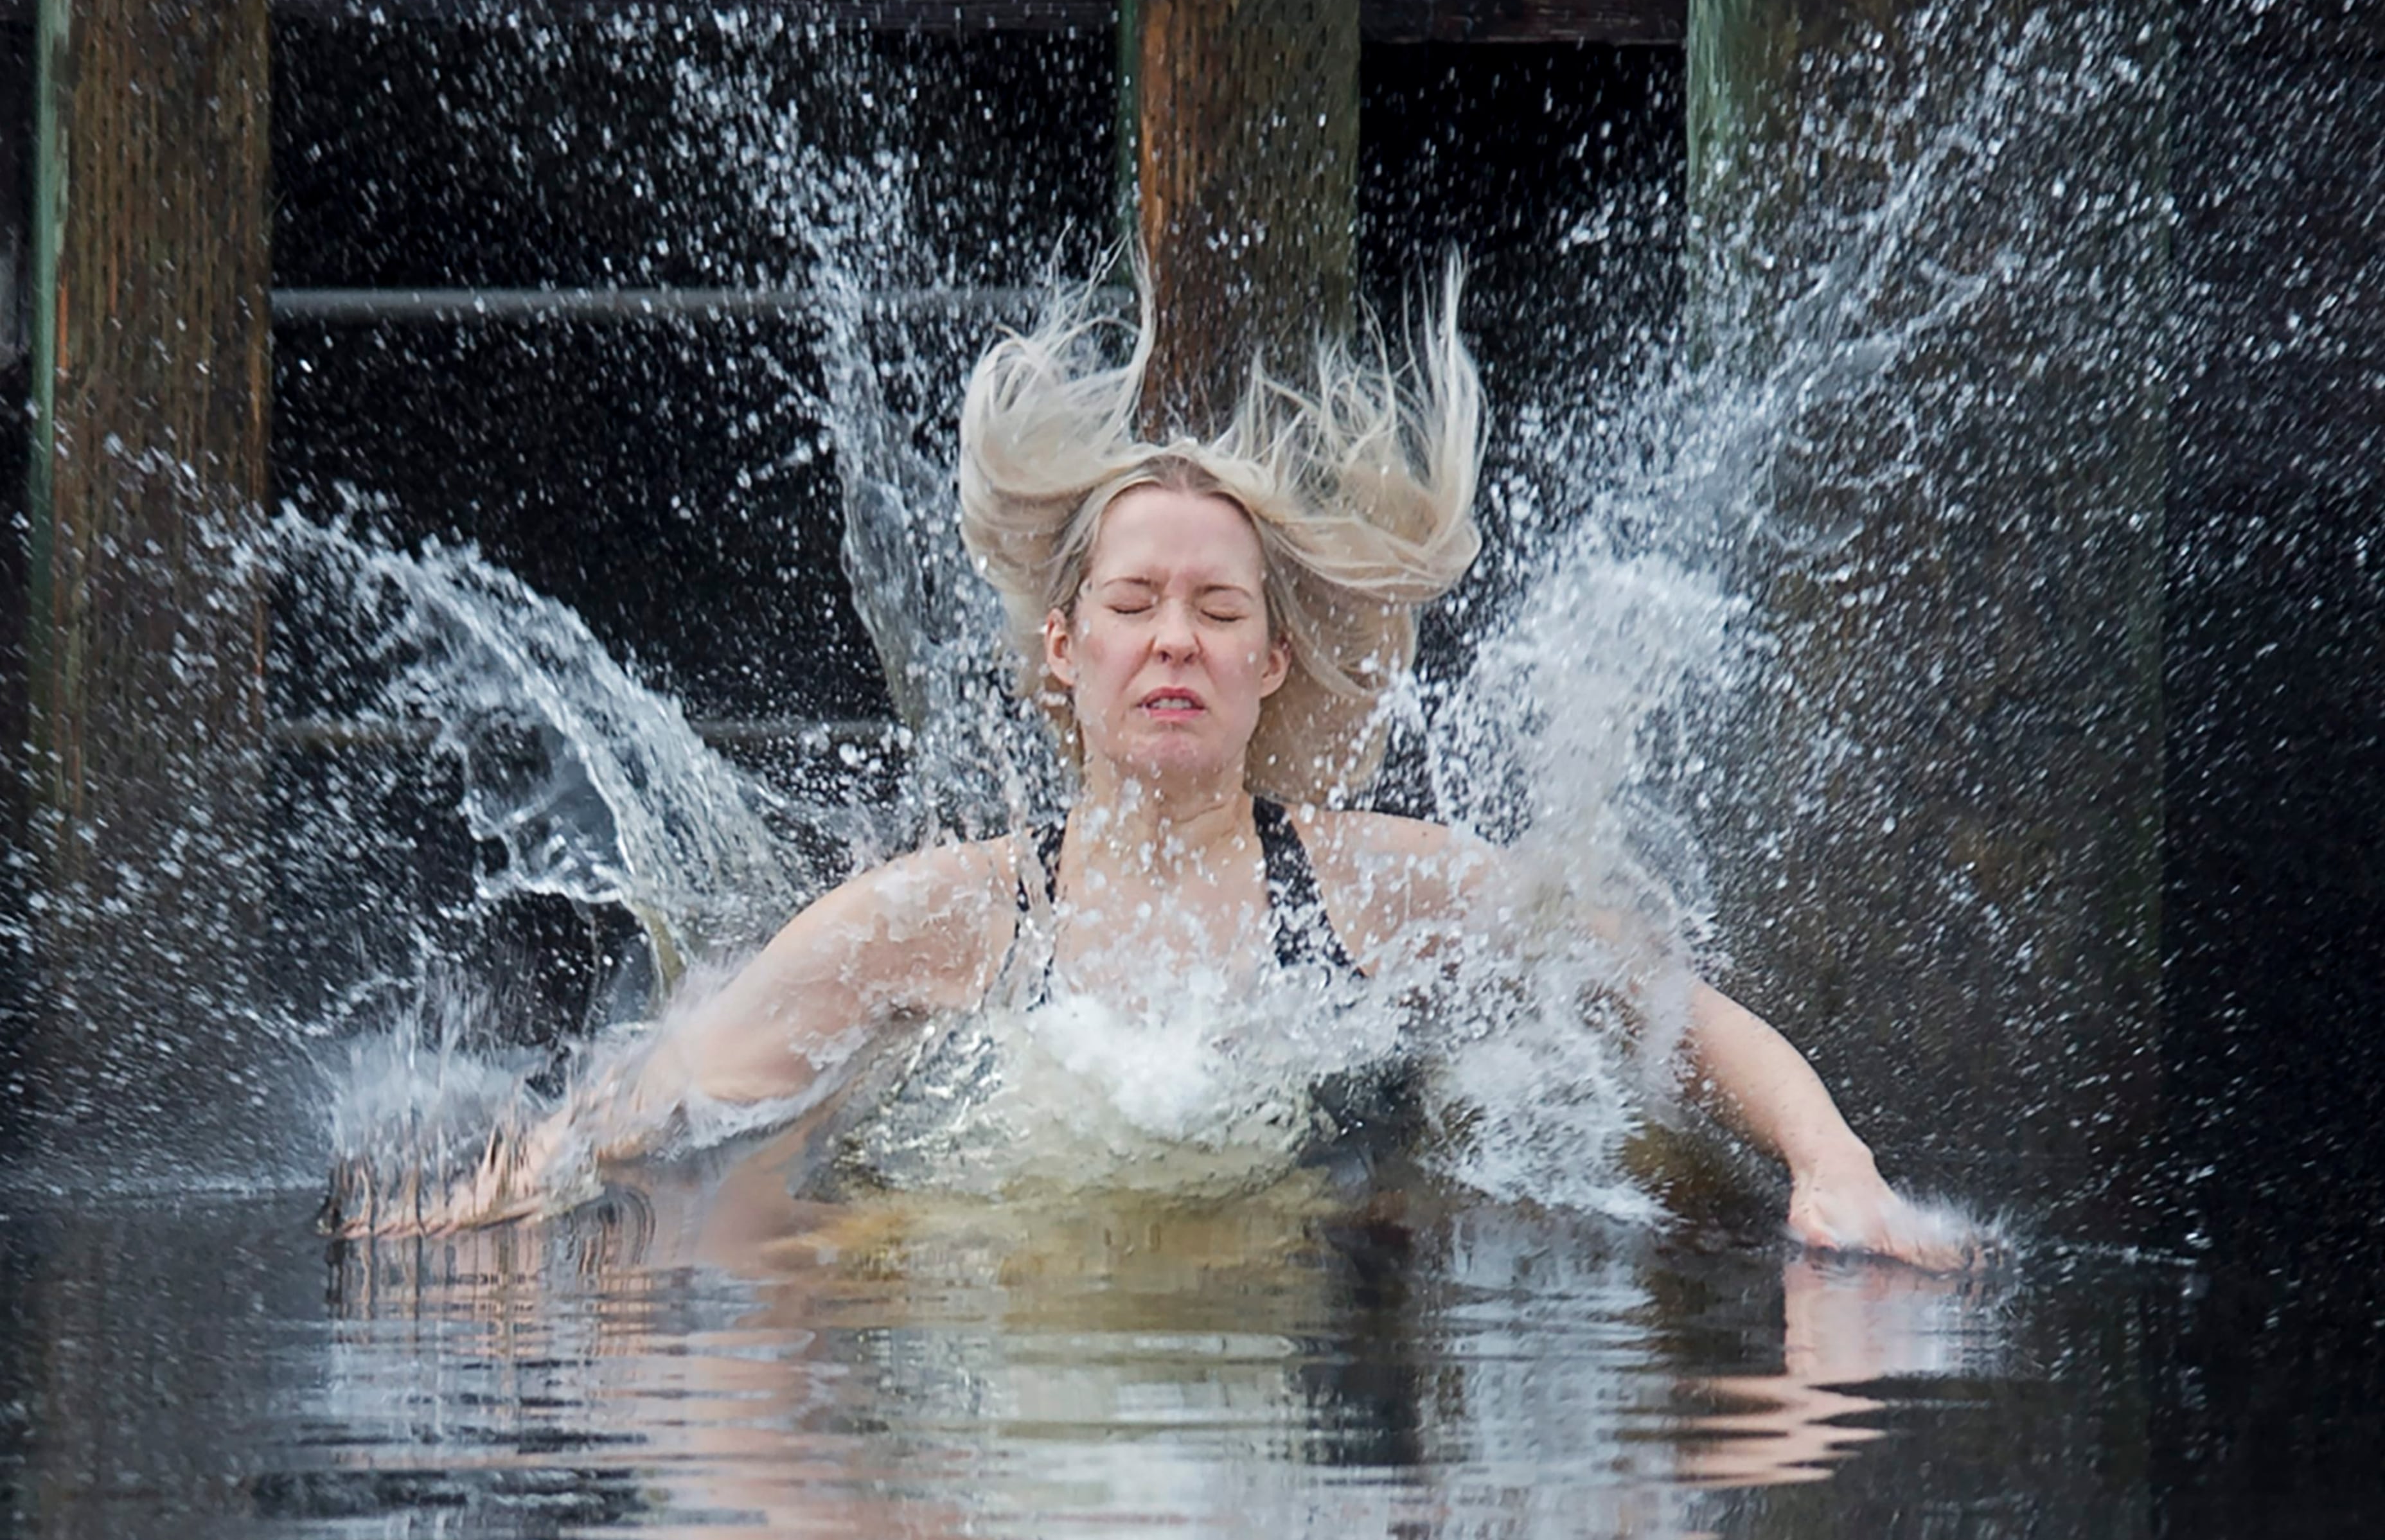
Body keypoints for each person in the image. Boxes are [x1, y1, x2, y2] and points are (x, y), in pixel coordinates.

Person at [327, 270, 1978, 1271]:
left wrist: (1836, 1173)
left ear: (1273, 661)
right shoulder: (949, 919)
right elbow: (676, 1079)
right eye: (1133, 605)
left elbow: (1669, 1014)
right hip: (999, 1387)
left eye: (1217, 610)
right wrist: (484, 1213)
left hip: (1267, 1403)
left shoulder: (1374, 887)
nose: (1172, 639)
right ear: (1066, 650)